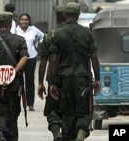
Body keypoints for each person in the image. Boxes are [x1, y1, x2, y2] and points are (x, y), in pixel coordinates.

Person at [49, 2, 101, 141]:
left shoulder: (57, 34)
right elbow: (94, 57)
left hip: (64, 79)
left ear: (65, 15)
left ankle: (68, 136)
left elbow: (53, 61)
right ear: (78, 15)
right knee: (84, 110)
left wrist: (52, 83)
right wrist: (97, 79)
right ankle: (81, 132)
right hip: (82, 79)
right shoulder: (87, 33)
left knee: (67, 112)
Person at [0, 11, 28, 141]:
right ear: (11, 25)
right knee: (12, 112)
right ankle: (10, 137)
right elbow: (24, 58)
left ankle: (0, 133)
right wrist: (13, 71)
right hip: (14, 84)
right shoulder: (19, 40)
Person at [38, 5, 66, 141]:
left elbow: (43, 61)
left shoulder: (50, 35)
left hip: (54, 79)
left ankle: (57, 132)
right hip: (75, 78)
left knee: (52, 109)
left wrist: (40, 82)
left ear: (56, 18)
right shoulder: (82, 34)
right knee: (71, 109)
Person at [16, 13, 44, 111]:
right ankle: (16, 102)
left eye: (26, 19)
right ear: (19, 21)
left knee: (30, 81)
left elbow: (43, 37)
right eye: (22, 19)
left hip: (31, 57)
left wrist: (38, 43)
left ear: (29, 21)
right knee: (18, 81)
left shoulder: (34, 30)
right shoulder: (15, 30)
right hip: (18, 58)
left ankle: (30, 103)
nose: (24, 21)